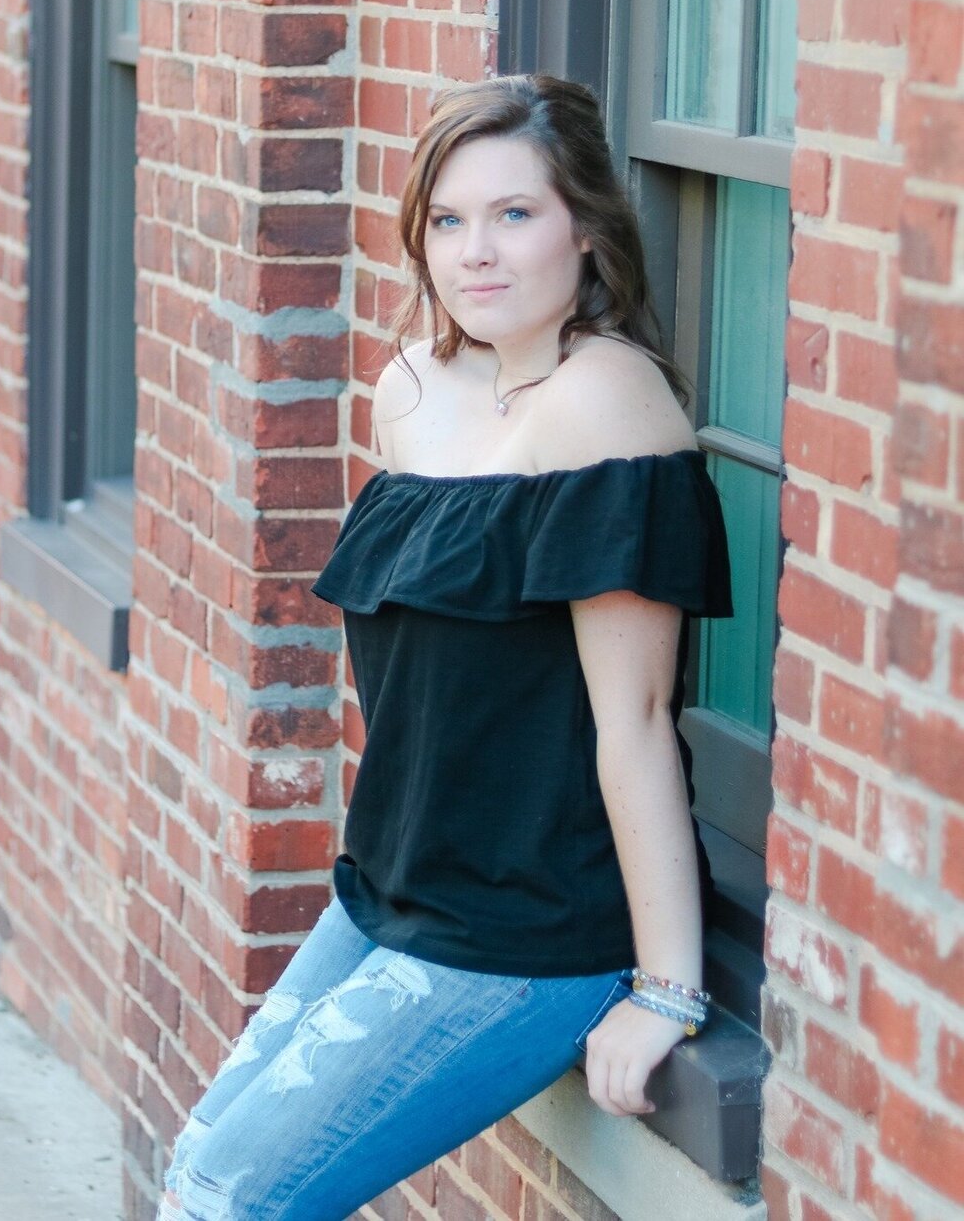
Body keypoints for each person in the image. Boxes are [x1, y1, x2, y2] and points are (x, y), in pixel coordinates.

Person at [157, 74, 732, 1221]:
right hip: (393, 895)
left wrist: (666, 989)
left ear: (586, 228)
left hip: (521, 932)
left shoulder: (607, 410)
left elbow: (634, 724)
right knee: (201, 1170)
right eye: (449, 220)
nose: (479, 252)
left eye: (516, 215)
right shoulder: (413, 391)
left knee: (233, 1199)